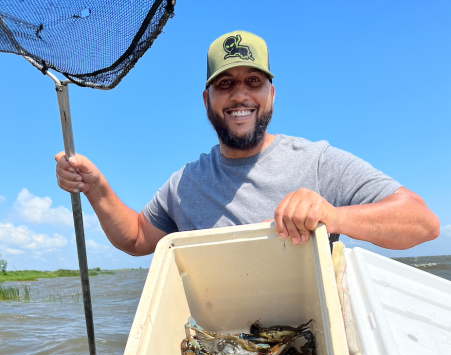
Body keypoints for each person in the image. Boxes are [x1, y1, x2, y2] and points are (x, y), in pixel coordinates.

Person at [55, 31, 439, 255]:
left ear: (271, 94)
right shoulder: (185, 184)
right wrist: (96, 188)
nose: (240, 95)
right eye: (225, 84)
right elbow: (138, 238)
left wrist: (336, 216)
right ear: (207, 100)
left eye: (253, 82)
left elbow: (422, 222)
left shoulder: (318, 162)